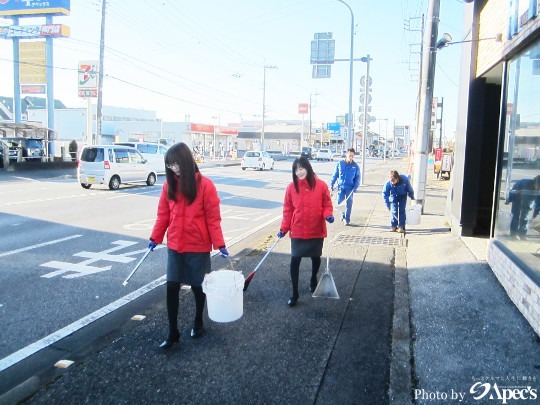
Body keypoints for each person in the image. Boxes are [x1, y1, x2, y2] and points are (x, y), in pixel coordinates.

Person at [149, 142, 228, 349]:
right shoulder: (169, 185)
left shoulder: (205, 185)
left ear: (186, 161)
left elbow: (213, 218)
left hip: (198, 245)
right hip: (175, 245)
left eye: (176, 163)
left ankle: (198, 321)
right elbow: (163, 215)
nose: (174, 168)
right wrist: (155, 237)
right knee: (171, 287)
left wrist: (219, 244)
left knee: (198, 287)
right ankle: (173, 331)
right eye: (169, 165)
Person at [278, 157, 334, 307]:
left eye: (301, 168)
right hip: (298, 229)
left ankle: (313, 279)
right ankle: (294, 293)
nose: (299, 172)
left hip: (316, 229)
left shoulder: (321, 185)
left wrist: (328, 215)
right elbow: (288, 210)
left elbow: (327, 204)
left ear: (308, 168)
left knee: (315, 257)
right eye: (296, 169)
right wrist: (284, 228)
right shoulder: (291, 187)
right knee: (295, 259)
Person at [330, 148, 360, 225]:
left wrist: (355, 186)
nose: (351, 157)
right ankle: (343, 215)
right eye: (350, 155)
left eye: (352, 156)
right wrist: (332, 184)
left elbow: (357, 177)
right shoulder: (340, 163)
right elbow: (335, 174)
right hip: (341, 187)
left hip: (350, 187)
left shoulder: (355, 166)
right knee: (340, 202)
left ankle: (347, 219)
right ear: (346, 154)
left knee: (349, 204)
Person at [505, 175, 540, 240]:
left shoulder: (538, 191)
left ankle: (522, 234)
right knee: (516, 216)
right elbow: (513, 191)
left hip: (528, 203)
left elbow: (538, 203)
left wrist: (535, 214)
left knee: (525, 218)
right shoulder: (523, 183)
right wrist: (510, 199)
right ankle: (513, 233)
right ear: (534, 182)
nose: (538, 189)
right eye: (538, 187)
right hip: (517, 199)